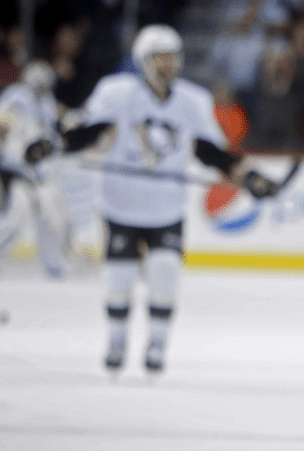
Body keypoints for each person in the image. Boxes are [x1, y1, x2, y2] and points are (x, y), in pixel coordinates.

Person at [55, 24, 281, 374]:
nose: (169, 64)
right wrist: (53, 144)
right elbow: (85, 134)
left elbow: (212, 152)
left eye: (173, 57)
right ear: (143, 61)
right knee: (119, 279)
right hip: (122, 204)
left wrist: (248, 177)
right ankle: (117, 341)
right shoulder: (118, 93)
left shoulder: (193, 101)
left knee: (165, 274)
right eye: (161, 57)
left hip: (166, 208)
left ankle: (157, 344)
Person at [0, 60, 70, 277]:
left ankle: (54, 263)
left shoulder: (48, 102)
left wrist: (51, 146)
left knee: (50, 216)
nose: (41, 88)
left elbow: (50, 135)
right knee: (14, 217)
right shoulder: (16, 96)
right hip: (13, 168)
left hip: (39, 171)